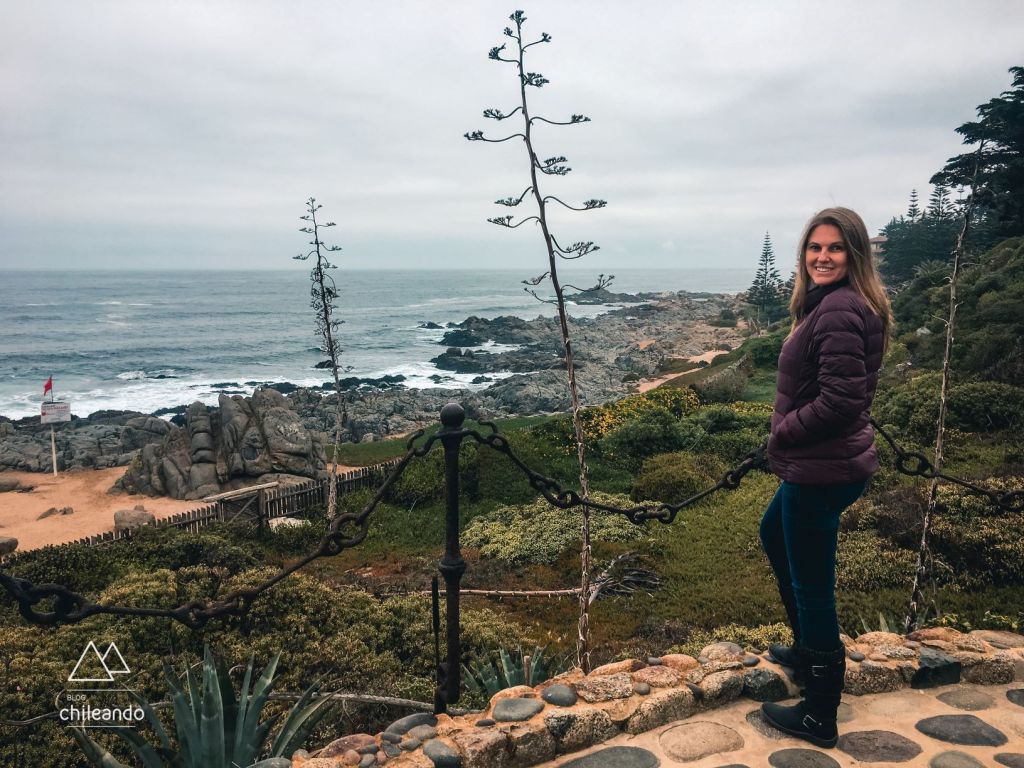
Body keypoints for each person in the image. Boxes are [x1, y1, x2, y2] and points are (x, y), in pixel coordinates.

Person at [759, 207, 891, 748]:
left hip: (820, 466)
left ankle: (818, 711)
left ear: (853, 254)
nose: (822, 257)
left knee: (814, 588)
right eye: (815, 248)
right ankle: (806, 647)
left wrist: (784, 431)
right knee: (773, 534)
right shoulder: (837, 304)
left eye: (835, 248)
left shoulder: (837, 310)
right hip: (828, 462)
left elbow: (840, 401)